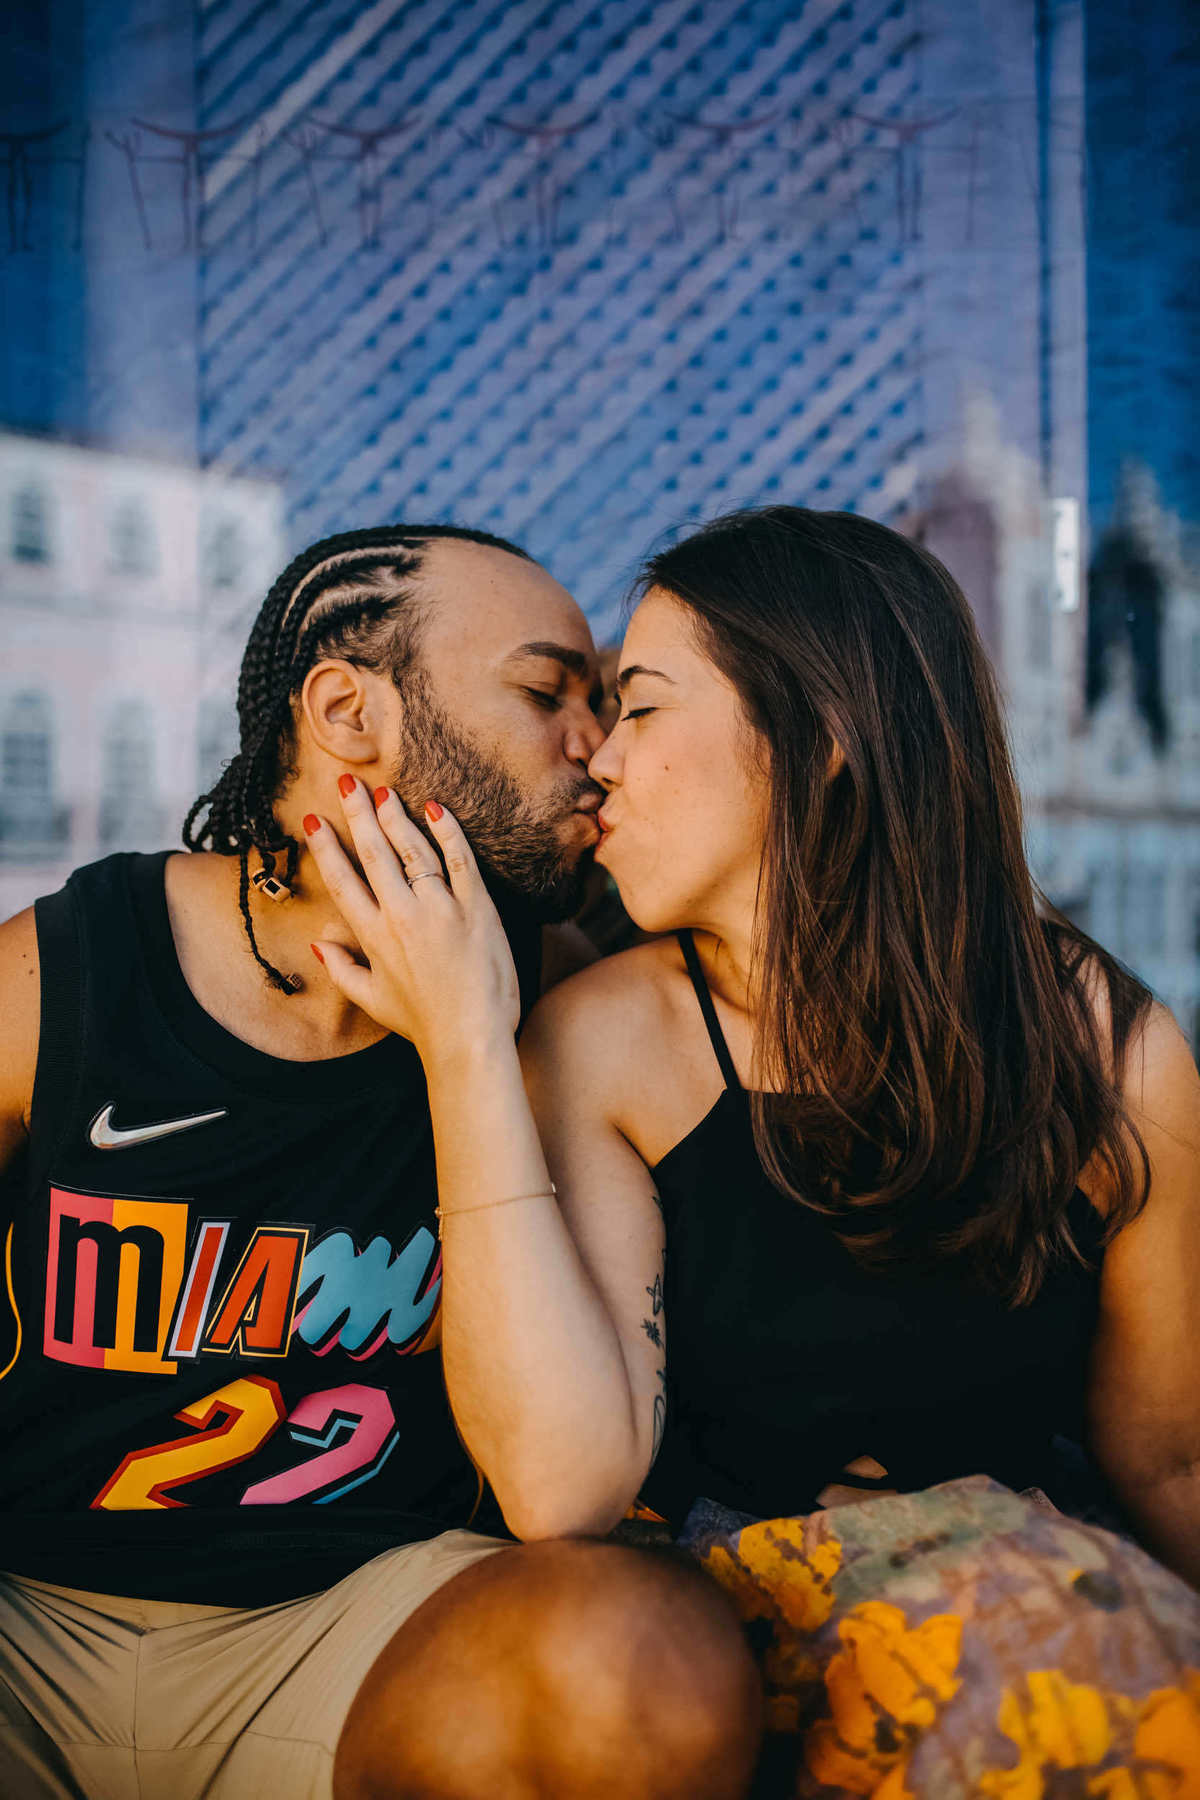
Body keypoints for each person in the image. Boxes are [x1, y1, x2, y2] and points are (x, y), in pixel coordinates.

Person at [301, 505, 1200, 1594]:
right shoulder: (601, 1043)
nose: (600, 762)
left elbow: (1170, 1460)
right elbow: (556, 1488)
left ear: (821, 734)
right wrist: (465, 1045)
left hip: (1038, 1625)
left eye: (636, 706)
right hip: (718, 1631)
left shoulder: (1111, 1051)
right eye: (577, 704)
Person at [0, 523, 762, 1800]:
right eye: (547, 692)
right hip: (30, 1619)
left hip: (359, 1635)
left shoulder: (558, 1004)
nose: (599, 748)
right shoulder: (64, 974)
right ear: (349, 711)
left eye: (609, 701)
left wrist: (469, 1036)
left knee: (644, 1662)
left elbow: (565, 1479)